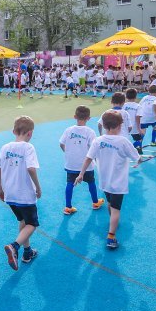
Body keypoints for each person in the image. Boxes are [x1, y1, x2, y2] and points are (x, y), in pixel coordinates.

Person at [75, 110, 140, 249]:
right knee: (116, 209)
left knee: (110, 204)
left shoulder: (98, 141)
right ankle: (111, 236)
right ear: (120, 125)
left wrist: (81, 174)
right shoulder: (123, 141)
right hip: (118, 183)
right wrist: (139, 160)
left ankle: (113, 222)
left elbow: (88, 158)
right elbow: (137, 157)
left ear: (104, 125)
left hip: (105, 182)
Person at [0, 115, 42, 270]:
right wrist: (38, 187)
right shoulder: (28, 147)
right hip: (25, 194)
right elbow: (30, 168)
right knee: (31, 224)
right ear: (30, 133)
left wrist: (0, 189)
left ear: (13, 131)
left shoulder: (5, 147)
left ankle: (27, 252)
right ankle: (14, 246)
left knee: (22, 221)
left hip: (10, 194)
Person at [59, 106, 103, 215]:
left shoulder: (68, 130)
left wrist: (67, 152)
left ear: (75, 116)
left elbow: (61, 143)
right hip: (86, 165)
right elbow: (94, 148)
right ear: (89, 118)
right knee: (91, 182)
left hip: (71, 164)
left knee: (70, 183)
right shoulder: (90, 132)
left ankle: (68, 207)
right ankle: (95, 202)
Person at [122, 88, 143, 154]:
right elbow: (137, 117)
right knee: (139, 139)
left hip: (125, 126)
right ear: (136, 96)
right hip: (134, 127)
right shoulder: (138, 106)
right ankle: (136, 148)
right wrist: (139, 128)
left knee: (124, 139)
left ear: (126, 96)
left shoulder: (124, 105)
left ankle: (128, 149)